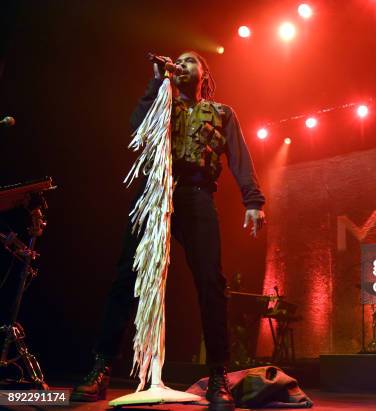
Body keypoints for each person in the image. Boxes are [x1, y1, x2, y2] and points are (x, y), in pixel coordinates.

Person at [71, 51, 266, 411]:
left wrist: (252, 200)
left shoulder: (223, 112)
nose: (182, 64)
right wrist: (155, 81)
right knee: (126, 277)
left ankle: (218, 374)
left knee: (211, 281)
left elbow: (239, 156)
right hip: (154, 192)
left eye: (190, 61)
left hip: (196, 195)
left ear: (205, 74)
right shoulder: (162, 102)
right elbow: (136, 126)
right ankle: (101, 367)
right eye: (178, 60)